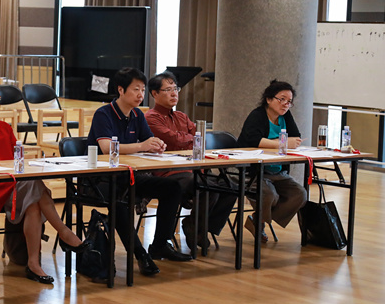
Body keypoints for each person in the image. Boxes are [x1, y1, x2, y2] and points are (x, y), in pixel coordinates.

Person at [0, 78, 88, 285]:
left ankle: (34, 263)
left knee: (33, 203)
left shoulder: (4, 127)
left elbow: (16, 156)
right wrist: (9, 169)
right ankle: (63, 232)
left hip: (12, 183)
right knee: (35, 187)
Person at [87, 67, 191, 275]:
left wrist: (157, 145)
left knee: (172, 188)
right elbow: (107, 148)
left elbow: (149, 140)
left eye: (143, 90)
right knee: (119, 199)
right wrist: (143, 146)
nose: (140, 94)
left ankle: (160, 244)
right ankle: (140, 254)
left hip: (128, 175)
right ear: (121, 90)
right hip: (99, 180)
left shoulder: (137, 115)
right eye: (136, 89)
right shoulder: (103, 113)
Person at [145, 71, 237, 250]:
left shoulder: (181, 116)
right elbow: (174, 140)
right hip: (168, 172)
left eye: (175, 89)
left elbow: (201, 138)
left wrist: (189, 138)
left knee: (230, 187)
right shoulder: (151, 117)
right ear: (155, 94)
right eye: (168, 90)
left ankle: (199, 227)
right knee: (206, 187)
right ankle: (196, 229)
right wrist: (190, 137)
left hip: (192, 169)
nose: (174, 93)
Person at [237, 80, 307, 242]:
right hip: (255, 172)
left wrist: (281, 142)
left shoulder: (285, 116)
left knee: (299, 194)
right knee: (270, 195)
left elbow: (296, 138)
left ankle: (258, 219)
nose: (286, 104)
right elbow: (254, 140)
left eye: (289, 101)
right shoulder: (258, 115)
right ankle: (261, 222)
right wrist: (282, 142)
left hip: (278, 171)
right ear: (269, 99)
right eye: (282, 99)